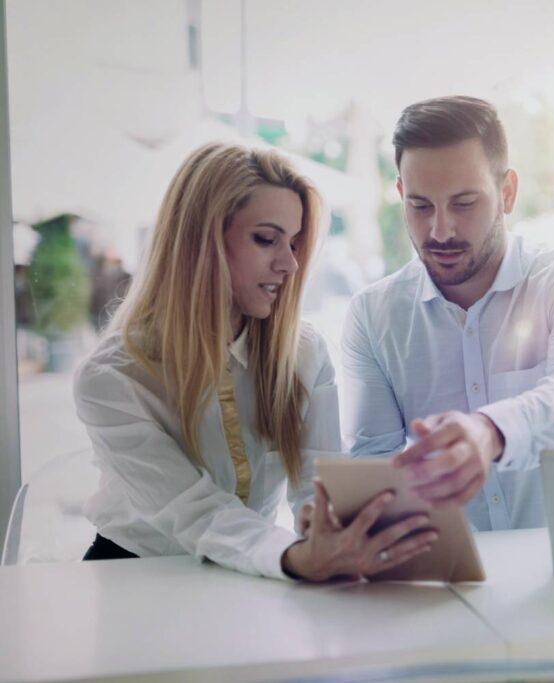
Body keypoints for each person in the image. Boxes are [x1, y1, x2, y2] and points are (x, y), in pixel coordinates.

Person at [74, 142, 436, 581]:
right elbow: (195, 513)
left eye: (295, 242)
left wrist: (326, 532)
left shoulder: (304, 354)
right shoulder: (112, 378)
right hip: (135, 577)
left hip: (252, 572)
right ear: (200, 241)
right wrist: (298, 557)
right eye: (266, 239)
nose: (289, 263)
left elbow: (316, 486)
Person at [341, 96, 554, 531]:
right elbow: (374, 467)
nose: (440, 230)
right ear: (400, 194)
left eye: (464, 203)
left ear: (507, 193)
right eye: (420, 206)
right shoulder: (373, 316)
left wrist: (489, 432)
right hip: (451, 581)